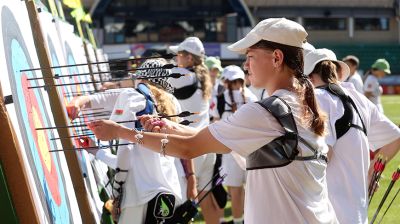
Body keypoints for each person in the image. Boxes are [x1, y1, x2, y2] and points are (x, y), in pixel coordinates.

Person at [88, 18, 339, 224]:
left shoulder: (267, 112)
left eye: (250, 56)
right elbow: (214, 138)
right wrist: (170, 126)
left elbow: (190, 148)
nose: (246, 64)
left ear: (276, 58)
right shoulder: (298, 103)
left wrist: (121, 132)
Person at [68, 59, 188, 223]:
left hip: (138, 198)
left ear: (141, 78)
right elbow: (136, 161)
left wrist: (118, 188)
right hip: (167, 196)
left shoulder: (133, 96)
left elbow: (126, 152)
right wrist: (98, 152)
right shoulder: (173, 105)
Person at [304, 48, 400, 224]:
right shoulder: (360, 99)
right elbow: (395, 138)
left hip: (327, 212)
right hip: (357, 212)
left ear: (309, 77)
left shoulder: (317, 98)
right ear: (338, 73)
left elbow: (325, 154)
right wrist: (372, 171)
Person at [168, 37, 220, 223]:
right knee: (207, 201)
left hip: (191, 149)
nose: (176, 59)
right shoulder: (202, 76)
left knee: (181, 206)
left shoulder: (183, 76)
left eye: (179, 55)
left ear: (190, 58)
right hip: (207, 147)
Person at [217, 65, 257, 224]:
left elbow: (215, 121)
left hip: (230, 151)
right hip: (252, 151)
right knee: (252, 192)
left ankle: (238, 221)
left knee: (235, 192)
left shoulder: (221, 97)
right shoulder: (252, 97)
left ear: (226, 81)